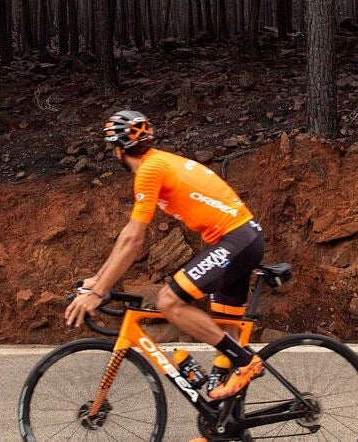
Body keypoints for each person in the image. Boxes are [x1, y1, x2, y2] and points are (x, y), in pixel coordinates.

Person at [64, 110, 266, 401]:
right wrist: (97, 279)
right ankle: (224, 426)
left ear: (118, 151)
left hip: (236, 240)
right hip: (241, 239)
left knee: (169, 301)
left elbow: (134, 241)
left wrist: (98, 292)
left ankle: (247, 362)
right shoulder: (159, 162)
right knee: (223, 328)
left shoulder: (149, 170)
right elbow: (127, 236)